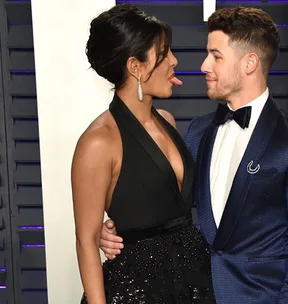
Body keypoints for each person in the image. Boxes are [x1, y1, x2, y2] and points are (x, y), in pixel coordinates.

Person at [100, 6, 288, 304]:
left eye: (216, 56)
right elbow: (171, 205)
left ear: (249, 63)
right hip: (193, 294)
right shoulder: (198, 131)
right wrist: (120, 230)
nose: (204, 65)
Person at [71, 3, 215, 303]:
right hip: (137, 290)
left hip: (193, 279)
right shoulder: (98, 142)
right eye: (164, 55)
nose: (175, 61)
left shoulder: (168, 121)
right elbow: (86, 242)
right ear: (136, 67)